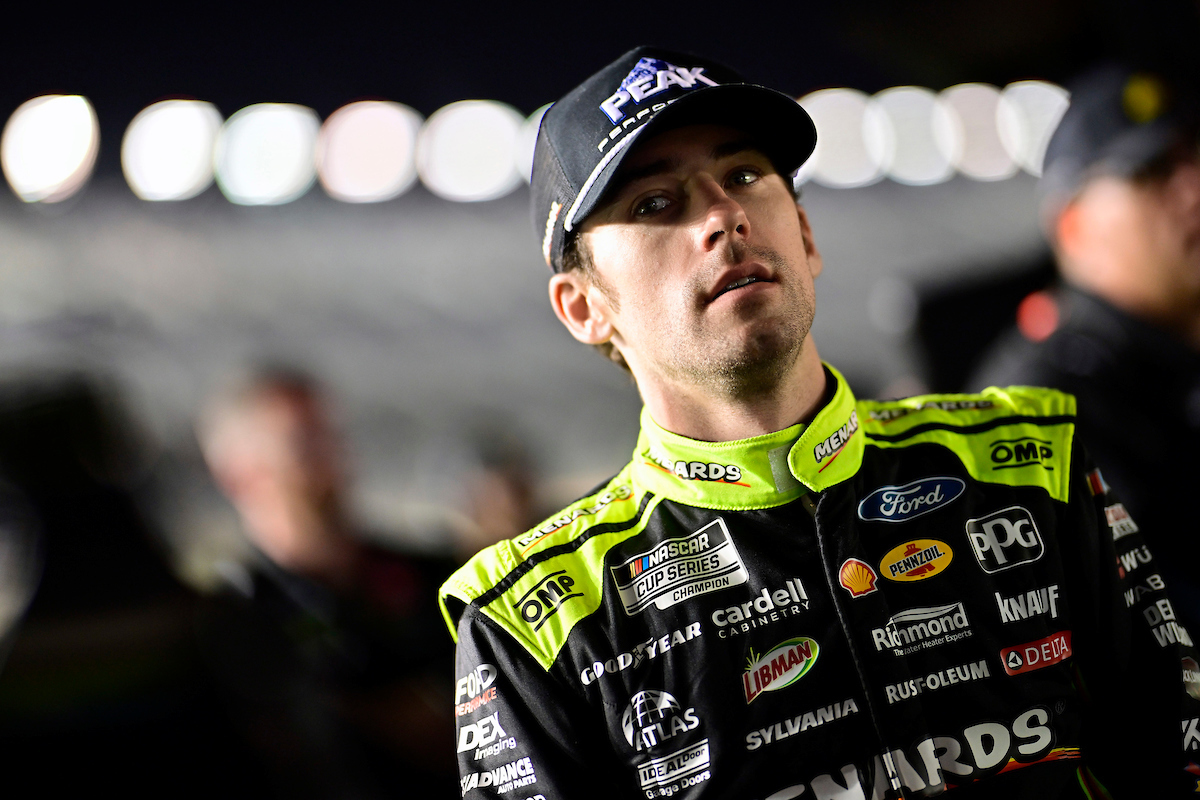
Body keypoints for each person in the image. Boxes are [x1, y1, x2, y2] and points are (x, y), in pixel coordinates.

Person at [438, 48, 1200, 798]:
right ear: (584, 307)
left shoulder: (1031, 458)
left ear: (804, 235)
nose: (724, 215)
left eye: (743, 175)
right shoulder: (529, 626)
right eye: (654, 204)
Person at [970, 64, 1200, 636]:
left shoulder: (1168, 366)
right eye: (1153, 172)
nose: (1194, 188)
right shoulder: (1042, 414)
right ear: (1073, 227)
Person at [196, 367, 459, 799]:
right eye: (304, 444)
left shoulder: (439, 579)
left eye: (333, 437)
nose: (334, 462)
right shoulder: (233, 626)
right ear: (239, 475)